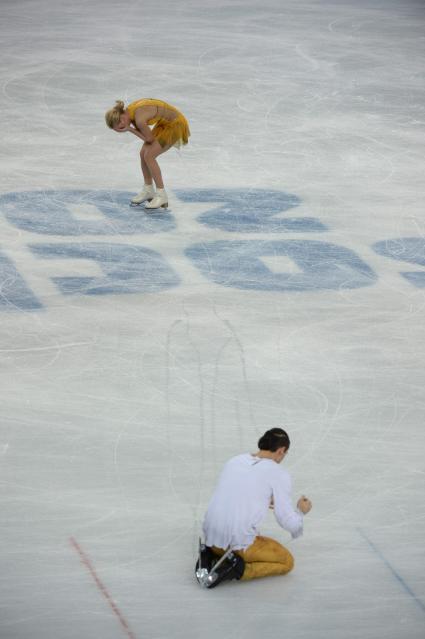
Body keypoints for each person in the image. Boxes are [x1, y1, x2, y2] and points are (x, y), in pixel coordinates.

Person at [200, 427, 312, 587]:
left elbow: (236, 492)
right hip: (236, 545)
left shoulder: (235, 460)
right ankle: (237, 568)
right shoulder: (279, 473)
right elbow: (289, 523)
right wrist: (301, 511)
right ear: (281, 451)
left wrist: (265, 499)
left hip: (211, 536)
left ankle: (210, 554)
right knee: (287, 562)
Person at [105, 98, 190, 209]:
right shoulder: (129, 113)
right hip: (164, 123)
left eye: (122, 127)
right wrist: (130, 128)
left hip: (176, 124)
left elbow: (149, 139)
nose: (123, 128)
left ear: (121, 118)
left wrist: (130, 129)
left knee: (149, 156)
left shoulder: (138, 118)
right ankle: (148, 189)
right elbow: (146, 137)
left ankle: (161, 195)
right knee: (143, 153)